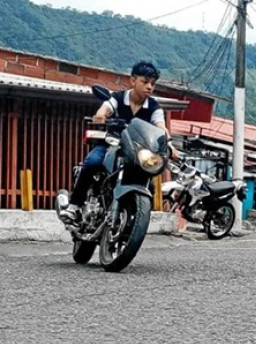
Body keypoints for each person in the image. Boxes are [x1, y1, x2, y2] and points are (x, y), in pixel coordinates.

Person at [61, 60, 178, 224]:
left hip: (136, 151)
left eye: (153, 83)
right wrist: (101, 116)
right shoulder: (117, 97)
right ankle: (74, 205)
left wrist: (170, 144)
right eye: (145, 82)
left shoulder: (154, 107)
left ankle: (131, 222)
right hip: (112, 144)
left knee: (149, 185)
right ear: (133, 80)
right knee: (92, 162)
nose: (149, 87)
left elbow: (161, 127)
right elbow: (105, 109)